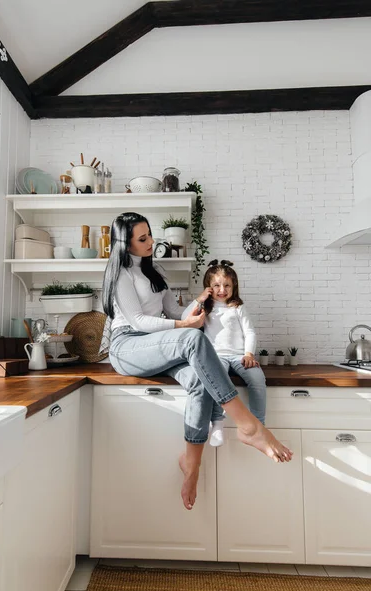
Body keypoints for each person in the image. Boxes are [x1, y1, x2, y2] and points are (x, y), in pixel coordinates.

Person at [102, 212, 293, 511]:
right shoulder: (120, 274)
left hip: (157, 346)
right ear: (125, 245)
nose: (151, 242)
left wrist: (199, 301)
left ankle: (191, 462)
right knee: (194, 338)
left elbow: (176, 315)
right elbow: (139, 320)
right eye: (142, 239)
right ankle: (250, 427)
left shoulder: (155, 272)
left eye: (150, 234)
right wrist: (184, 329)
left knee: (199, 380)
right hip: (127, 346)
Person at [182, 259, 266, 448]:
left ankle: (258, 425)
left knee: (258, 378)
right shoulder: (206, 308)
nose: (222, 289)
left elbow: (250, 332)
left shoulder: (237, 307)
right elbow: (183, 318)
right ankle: (217, 423)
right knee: (216, 381)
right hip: (215, 356)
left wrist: (249, 354)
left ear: (233, 286)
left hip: (239, 356)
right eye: (217, 285)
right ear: (209, 287)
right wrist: (200, 298)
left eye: (227, 285)